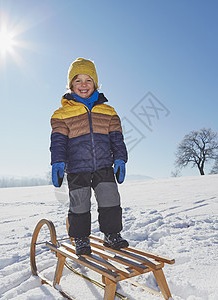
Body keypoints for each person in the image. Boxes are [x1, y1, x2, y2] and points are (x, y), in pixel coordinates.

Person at [50, 58, 129, 255]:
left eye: (88, 80)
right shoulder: (61, 114)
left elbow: (117, 139)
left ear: (95, 83)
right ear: (70, 85)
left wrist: (120, 158)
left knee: (110, 199)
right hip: (77, 167)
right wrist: (58, 162)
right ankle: (81, 239)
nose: (83, 85)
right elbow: (58, 141)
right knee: (79, 203)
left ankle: (112, 235)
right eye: (78, 81)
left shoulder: (109, 111)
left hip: (104, 165)